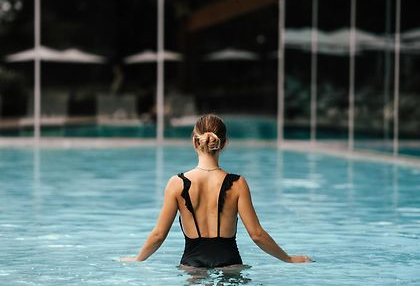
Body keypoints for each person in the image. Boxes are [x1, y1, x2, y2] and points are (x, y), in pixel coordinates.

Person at [120, 114, 312, 266]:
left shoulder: (176, 183)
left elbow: (159, 235)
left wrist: (137, 259)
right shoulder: (238, 183)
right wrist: (288, 259)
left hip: (192, 267)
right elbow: (257, 234)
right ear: (224, 143)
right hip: (230, 264)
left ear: (195, 142)